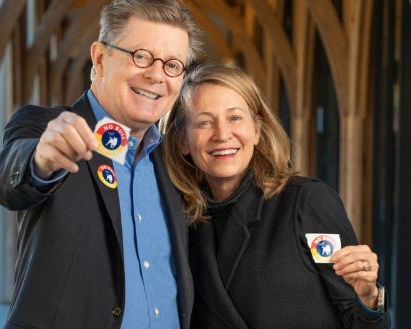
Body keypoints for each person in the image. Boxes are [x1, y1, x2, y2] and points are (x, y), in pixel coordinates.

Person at [0, 1, 203, 328]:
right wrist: (41, 160)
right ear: (101, 58)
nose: (156, 75)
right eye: (140, 56)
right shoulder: (47, 128)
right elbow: (5, 178)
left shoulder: (174, 161)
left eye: (172, 65)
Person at [161, 63, 391, 328]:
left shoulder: (307, 203)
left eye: (235, 118)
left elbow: (357, 316)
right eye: (204, 122)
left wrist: (368, 296)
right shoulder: (178, 220)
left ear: (257, 130)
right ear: (182, 142)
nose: (222, 134)